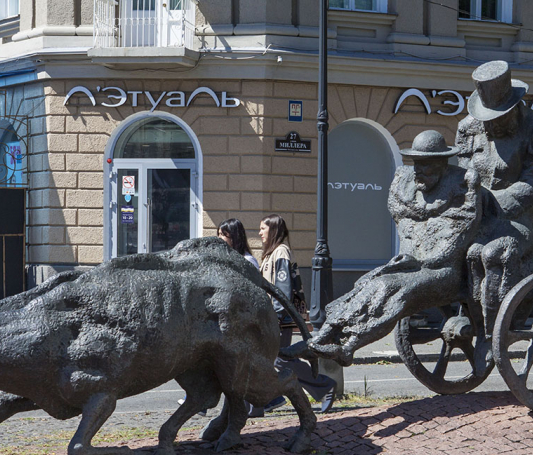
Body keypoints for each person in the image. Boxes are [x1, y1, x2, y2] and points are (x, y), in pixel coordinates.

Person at [290, 130, 481, 365]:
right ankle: (320, 339)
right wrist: (409, 260)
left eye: (425, 164)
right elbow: (408, 230)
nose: (417, 170)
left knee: (390, 289)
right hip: (414, 266)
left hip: (444, 270)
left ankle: (349, 347)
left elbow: (455, 241)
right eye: (415, 163)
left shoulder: (462, 190)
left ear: (442, 164)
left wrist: (419, 261)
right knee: (366, 283)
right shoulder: (410, 190)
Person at [455, 60, 533, 341]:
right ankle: (471, 318)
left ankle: (496, 326)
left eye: (498, 116)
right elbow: (462, 178)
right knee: (463, 253)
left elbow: (532, 185)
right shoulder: (467, 128)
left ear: (512, 108)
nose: (491, 123)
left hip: (516, 219)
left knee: (492, 254)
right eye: (487, 117)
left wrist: (491, 202)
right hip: (476, 217)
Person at [254, 214, 336, 416]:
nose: (260, 232)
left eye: (263, 228)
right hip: (274, 316)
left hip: (279, 317)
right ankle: (269, 399)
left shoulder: (281, 252)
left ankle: (324, 385)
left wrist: (276, 316)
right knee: (271, 359)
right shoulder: (271, 253)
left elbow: (283, 288)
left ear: (273, 230)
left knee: (281, 358)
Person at [178, 218, 258, 415]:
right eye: (219, 234)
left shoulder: (247, 261)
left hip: (239, 323)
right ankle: (204, 403)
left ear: (235, 237)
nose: (220, 238)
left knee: (228, 369)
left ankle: (208, 404)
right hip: (222, 322)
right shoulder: (222, 260)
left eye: (224, 234)